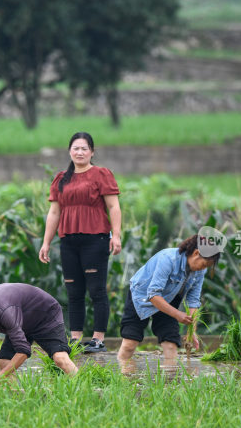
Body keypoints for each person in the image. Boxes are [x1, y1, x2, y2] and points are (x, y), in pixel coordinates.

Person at [39, 132, 122, 354]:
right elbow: (54, 212)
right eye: (76, 148)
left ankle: (98, 339)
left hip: (95, 238)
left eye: (84, 148)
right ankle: (75, 339)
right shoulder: (61, 179)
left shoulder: (101, 175)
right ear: (69, 151)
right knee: (73, 291)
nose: (80, 152)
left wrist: (117, 235)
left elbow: (113, 207)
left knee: (96, 290)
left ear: (92, 152)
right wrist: (46, 242)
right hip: (68, 241)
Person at [117, 235, 221, 369]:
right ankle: (124, 377)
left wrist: (191, 331)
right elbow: (153, 295)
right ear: (196, 253)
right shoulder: (168, 259)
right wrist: (178, 315)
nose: (203, 268)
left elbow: (193, 300)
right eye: (204, 264)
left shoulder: (199, 271)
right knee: (130, 343)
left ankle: (169, 382)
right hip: (142, 295)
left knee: (171, 344)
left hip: (169, 299)